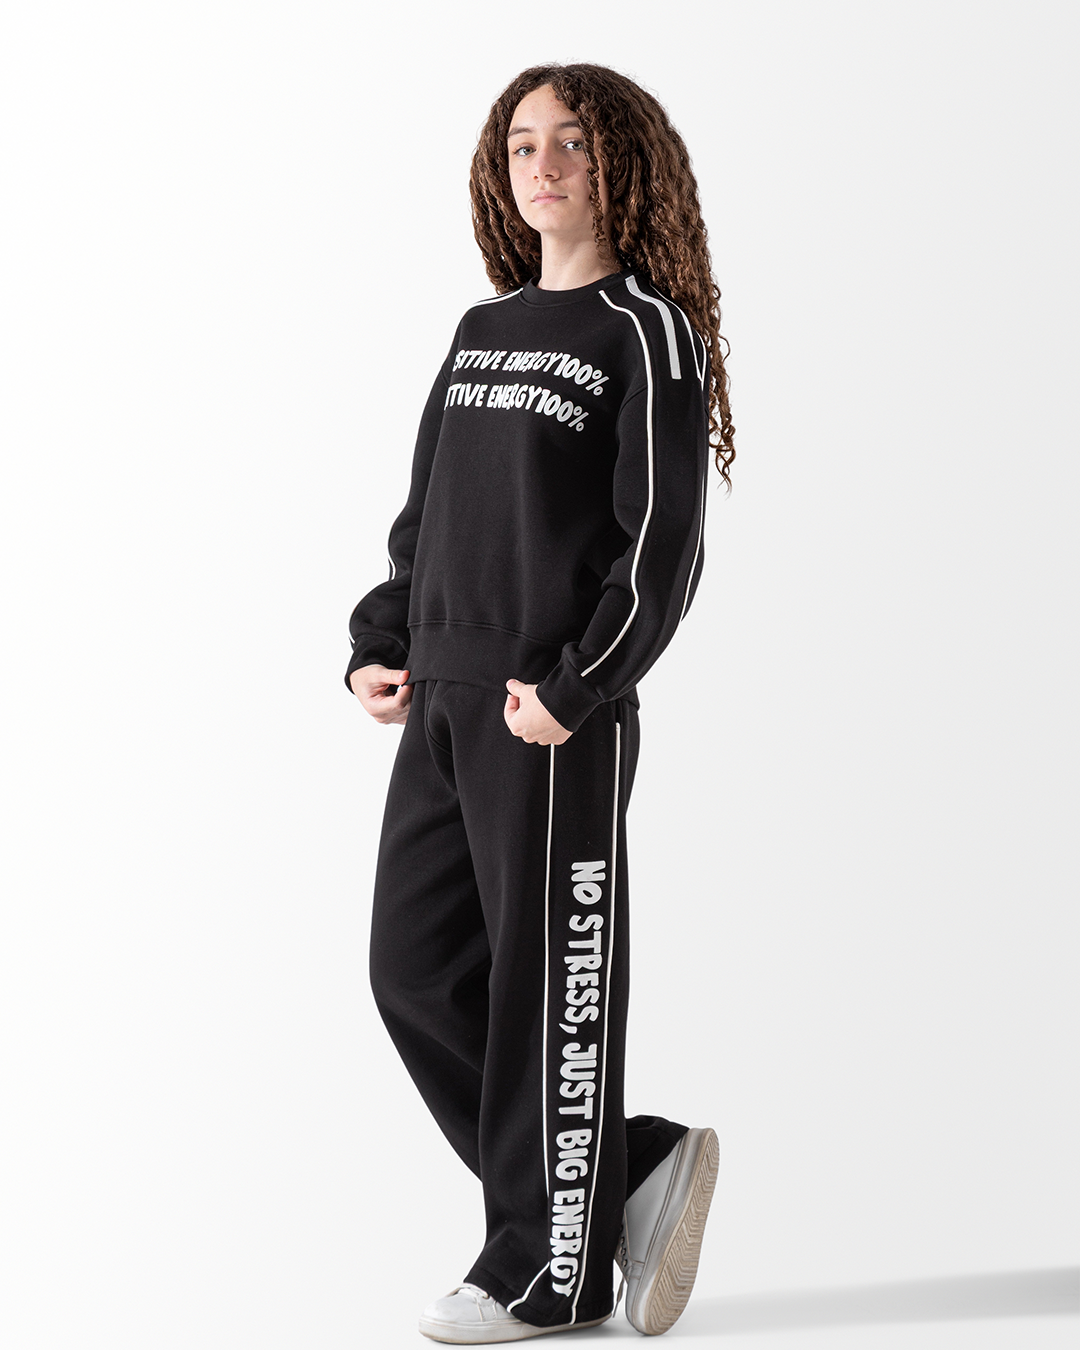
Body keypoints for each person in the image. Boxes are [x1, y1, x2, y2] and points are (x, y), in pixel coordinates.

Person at [344, 62, 735, 1343]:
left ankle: (546, 1273)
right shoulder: (484, 329)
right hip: (442, 696)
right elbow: (429, 513)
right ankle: (627, 1167)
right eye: (522, 144)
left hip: (548, 711)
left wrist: (581, 687)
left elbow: (661, 544)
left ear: (621, 161)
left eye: (572, 140)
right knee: (412, 969)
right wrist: (382, 638)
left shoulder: (645, 329)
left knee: (547, 996)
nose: (545, 163)